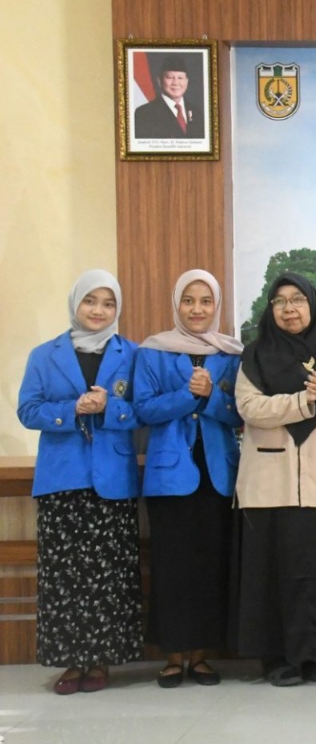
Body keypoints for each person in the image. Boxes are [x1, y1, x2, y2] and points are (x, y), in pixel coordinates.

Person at [232, 273, 316, 687]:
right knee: (272, 574)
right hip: (268, 484)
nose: (289, 309)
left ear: (313, 305)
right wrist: (304, 400)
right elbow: (250, 408)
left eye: (298, 300)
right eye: (280, 301)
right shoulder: (255, 354)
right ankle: (277, 659)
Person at [16, 270, 143, 695]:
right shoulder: (44, 355)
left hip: (113, 480)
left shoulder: (133, 354)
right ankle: (71, 662)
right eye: (90, 301)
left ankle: (102, 660)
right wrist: (71, 409)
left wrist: (110, 407)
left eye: (108, 303)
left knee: (109, 576)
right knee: (64, 577)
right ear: (75, 303)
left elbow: (143, 410)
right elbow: (28, 410)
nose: (98, 311)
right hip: (61, 478)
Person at [134, 269, 243, 688]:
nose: (197, 309)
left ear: (217, 306)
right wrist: (188, 395)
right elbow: (143, 410)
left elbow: (240, 413)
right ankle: (172, 655)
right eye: (189, 300)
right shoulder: (153, 351)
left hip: (219, 475)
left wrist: (212, 396)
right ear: (176, 304)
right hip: (169, 477)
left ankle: (200, 657)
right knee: (172, 567)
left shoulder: (231, 353)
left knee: (211, 565)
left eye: (206, 301)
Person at [133, 54, 205, 139]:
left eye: (180, 78)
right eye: (170, 77)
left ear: (187, 81)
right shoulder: (144, 114)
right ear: (159, 81)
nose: (175, 83)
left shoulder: (197, 113)